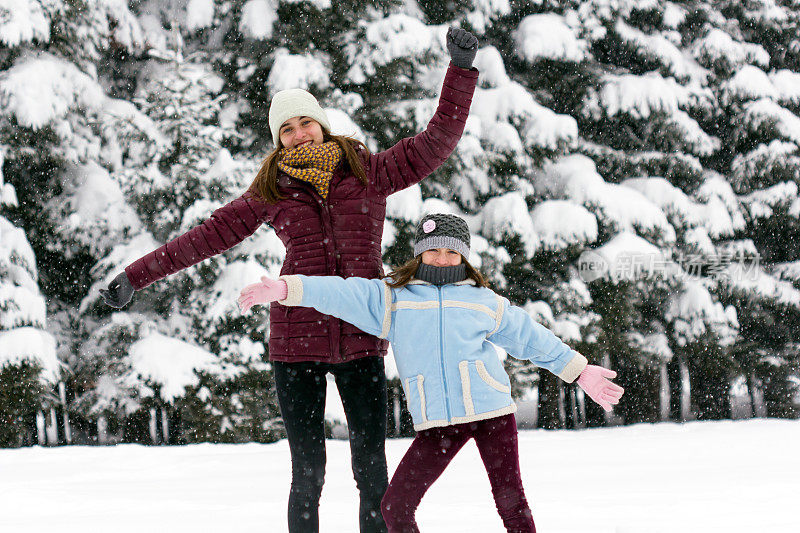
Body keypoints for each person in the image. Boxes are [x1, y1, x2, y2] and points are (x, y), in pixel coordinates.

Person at [100, 28, 480, 533]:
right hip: (296, 342)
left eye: (306, 123)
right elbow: (206, 237)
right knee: (309, 473)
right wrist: (135, 276)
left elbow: (437, 142)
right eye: (287, 129)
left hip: (364, 335)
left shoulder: (369, 172)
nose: (299, 134)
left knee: (373, 473)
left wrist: (460, 69)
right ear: (278, 139)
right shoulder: (271, 191)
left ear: (322, 125)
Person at [238, 213, 625, 533]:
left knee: (511, 502)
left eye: (451, 251)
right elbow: (342, 293)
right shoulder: (393, 299)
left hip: (492, 414)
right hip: (438, 422)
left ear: (464, 256)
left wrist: (579, 371)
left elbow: (532, 339)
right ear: (420, 254)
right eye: (433, 250)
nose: (442, 258)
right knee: (395, 508)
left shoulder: (484, 301)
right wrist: (289, 289)